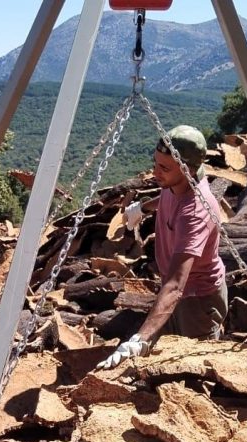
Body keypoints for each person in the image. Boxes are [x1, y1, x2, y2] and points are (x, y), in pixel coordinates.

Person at [96, 125, 228, 370]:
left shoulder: (195, 213)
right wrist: (144, 208)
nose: (155, 172)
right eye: (155, 163)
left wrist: (139, 340)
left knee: (193, 366)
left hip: (198, 301)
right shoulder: (175, 183)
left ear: (188, 170)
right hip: (180, 294)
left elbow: (176, 285)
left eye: (164, 168)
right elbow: (170, 195)